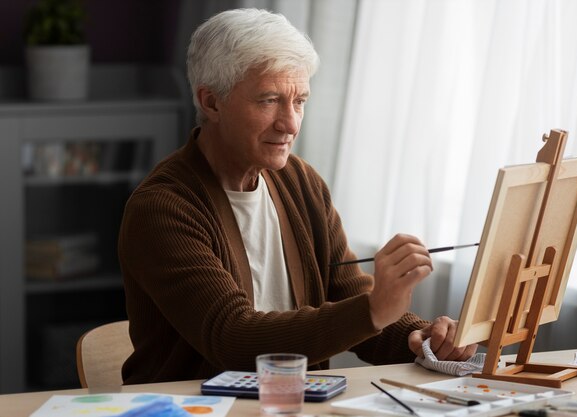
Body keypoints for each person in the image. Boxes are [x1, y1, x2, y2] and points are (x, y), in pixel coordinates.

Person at [118, 7, 477, 384]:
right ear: (211, 103)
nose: (290, 123)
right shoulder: (162, 207)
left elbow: (346, 296)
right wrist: (374, 310)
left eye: (300, 101)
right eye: (269, 100)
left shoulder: (300, 182)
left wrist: (419, 337)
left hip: (291, 406)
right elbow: (231, 339)